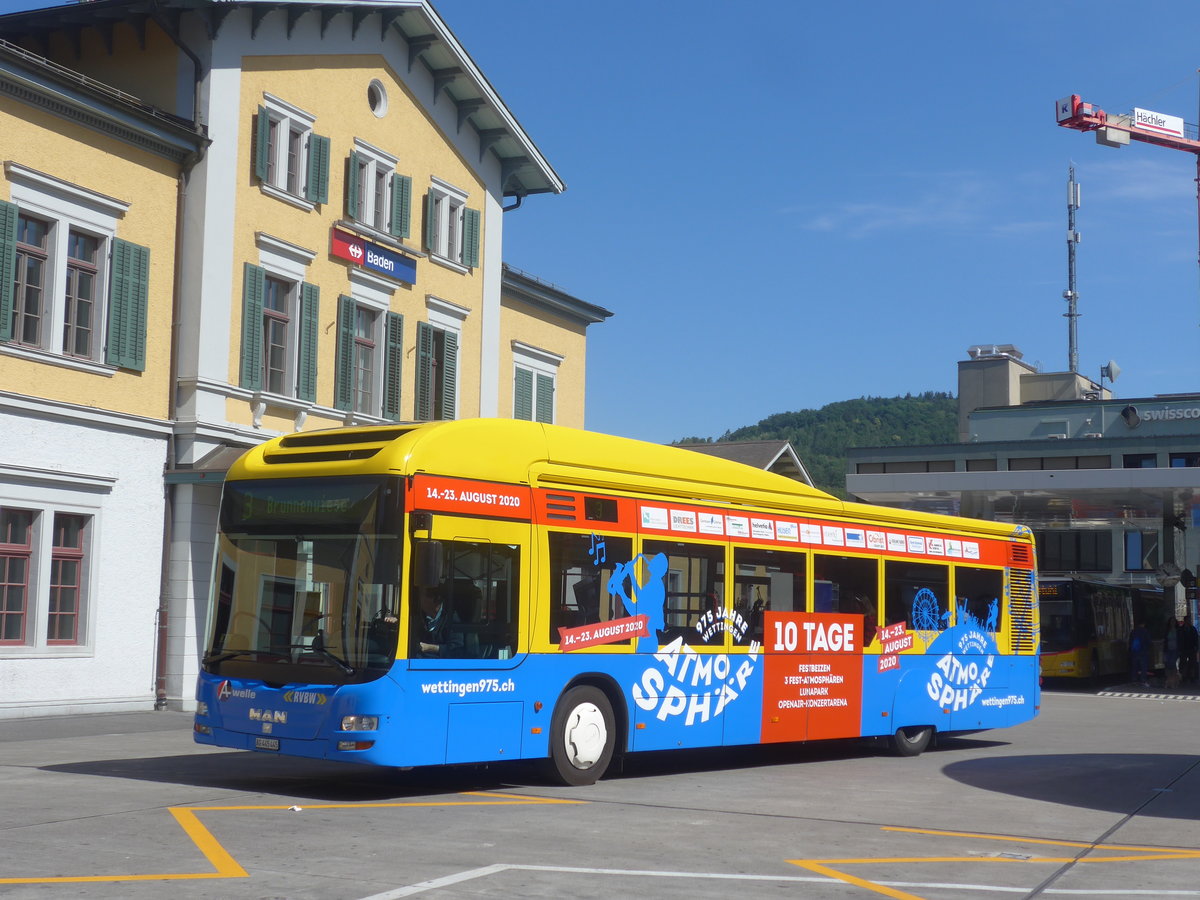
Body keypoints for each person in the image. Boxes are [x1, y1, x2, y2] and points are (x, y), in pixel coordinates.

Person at [413, 586, 462, 658]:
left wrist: (431, 648)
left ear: (434, 599)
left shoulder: (451, 618)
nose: (418, 600)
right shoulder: (418, 616)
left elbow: (456, 649)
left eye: (421, 596)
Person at [1129, 619, 1151, 687]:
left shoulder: (1133, 631)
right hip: (1143, 652)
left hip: (1135, 652)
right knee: (1143, 667)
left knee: (1134, 667)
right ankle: (1143, 681)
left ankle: (1134, 680)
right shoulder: (1145, 631)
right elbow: (1148, 641)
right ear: (1144, 624)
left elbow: (1130, 641)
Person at [1178, 615, 1199, 685]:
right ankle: (1184, 677)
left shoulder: (1193, 629)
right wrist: (1180, 648)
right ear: (1185, 621)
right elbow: (1179, 639)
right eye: (1187, 620)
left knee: (1192, 663)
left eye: (1189, 620)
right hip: (1184, 649)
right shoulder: (1181, 629)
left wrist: (1196, 647)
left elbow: (1196, 638)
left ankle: (1192, 677)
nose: (1188, 621)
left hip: (1191, 648)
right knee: (1183, 663)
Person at [1163, 616, 1180, 689]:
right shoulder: (1167, 630)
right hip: (1168, 649)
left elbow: (1180, 640)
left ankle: (1174, 680)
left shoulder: (1178, 630)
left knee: (1173, 664)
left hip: (1175, 649)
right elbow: (1165, 640)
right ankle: (1168, 680)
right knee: (1167, 664)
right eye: (1171, 621)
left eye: (1174, 621)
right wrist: (1164, 650)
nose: (1172, 623)